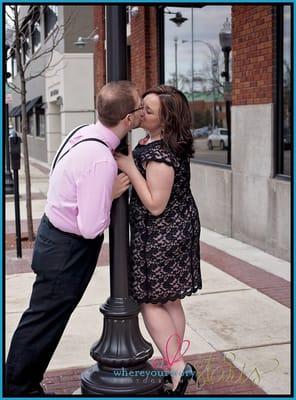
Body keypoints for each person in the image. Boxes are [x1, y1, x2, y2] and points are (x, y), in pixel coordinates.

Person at [5, 80, 144, 396]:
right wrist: (107, 194)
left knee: (42, 318)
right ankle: (18, 388)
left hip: (54, 239)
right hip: (67, 251)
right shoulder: (100, 159)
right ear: (128, 119)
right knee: (43, 322)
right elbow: (91, 227)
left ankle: (19, 384)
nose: (140, 113)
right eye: (138, 108)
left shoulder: (83, 133)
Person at [115, 85, 202, 395]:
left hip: (164, 233)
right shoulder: (154, 141)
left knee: (150, 300)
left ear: (164, 121)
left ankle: (176, 366)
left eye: (148, 111)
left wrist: (127, 166)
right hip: (172, 229)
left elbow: (155, 204)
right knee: (170, 299)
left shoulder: (161, 154)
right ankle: (175, 366)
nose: (141, 113)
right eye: (142, 107)